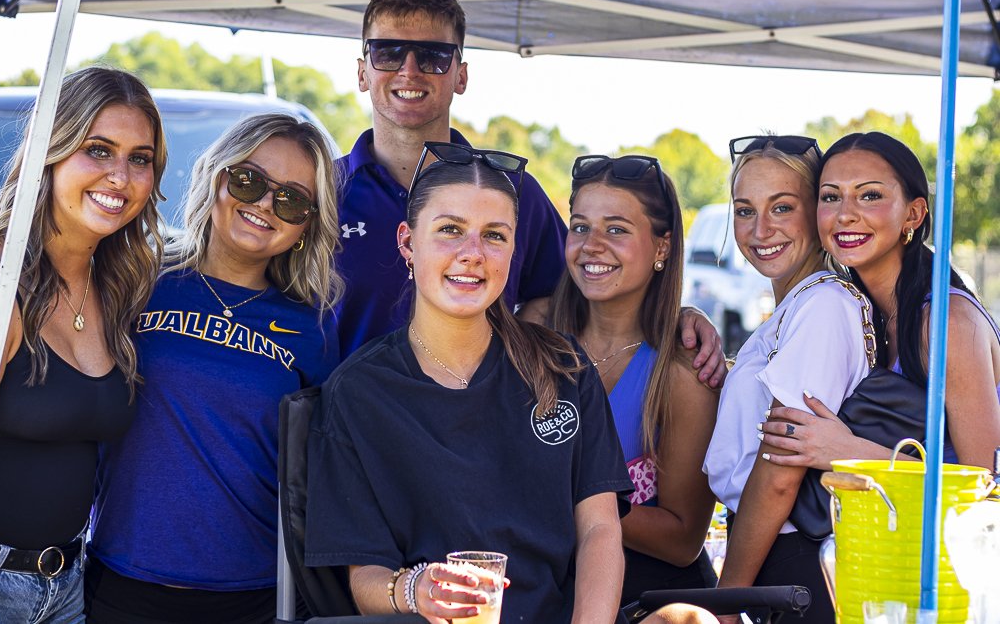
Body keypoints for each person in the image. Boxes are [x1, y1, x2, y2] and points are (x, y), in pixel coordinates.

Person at [305, 143, 716, 624]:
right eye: (450, 231)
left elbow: (601, 531)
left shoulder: (562, 367)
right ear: (407, 242)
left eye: (494, 236)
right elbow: (365, 576)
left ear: (514, 250)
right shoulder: (358, 392)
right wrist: (416, 590)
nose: (472, 254)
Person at [335, 0, 726, 388]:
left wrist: (679, 317)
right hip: (346, 433)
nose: (409, 70)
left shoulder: (512, 191)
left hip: (481, 437)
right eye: (389, 53)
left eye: (434, 56)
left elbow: (585, 287)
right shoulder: (322, 192)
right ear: (363, 72)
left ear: (461, 76)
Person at [0, 67, 167, 624]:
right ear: (49, 154)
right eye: (97, 149)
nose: (120, 177)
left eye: (140, 158)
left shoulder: (118, 288)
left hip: (67, 588)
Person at [84, 113, 342, 624]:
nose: (264, 204)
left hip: (253, 596)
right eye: (249, 180)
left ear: (306, 226)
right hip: (122, 583)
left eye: (290, 199)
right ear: (217, 177)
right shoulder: (134, 282)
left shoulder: (313, 328)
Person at [703, 135, 875, 624]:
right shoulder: (796, 306)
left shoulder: (823, 304)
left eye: (782, 207)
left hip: (798, 556)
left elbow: (780, 467)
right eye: (744, 209)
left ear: (816, 213)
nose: (760, 229)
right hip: (776, 556)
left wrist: (727, 595)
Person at [760, 131, 1000, 469]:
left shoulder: (949, 323)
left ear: (914, 215)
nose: (845, 214)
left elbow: (987, 484)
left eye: (869, 195)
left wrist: (849, 452)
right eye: (830, 197)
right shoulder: (849, 308)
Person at [546, 154, 719, 605]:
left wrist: (563, 500)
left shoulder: (683, 370)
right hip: (550, 592)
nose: (592, 245)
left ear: (662, 247)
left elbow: (684, 541)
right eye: (580, 226)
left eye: (617, 229)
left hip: (652, 601)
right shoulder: (535, 338)